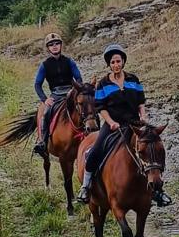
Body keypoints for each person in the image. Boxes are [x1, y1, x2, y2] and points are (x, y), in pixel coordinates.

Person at [77, 43, 169, 206]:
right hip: (113, 124)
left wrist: (143, 116)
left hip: (134, 123)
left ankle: (158, 190)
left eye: (118, 61)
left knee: (153, 148)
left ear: (123, 61)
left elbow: (140, 102)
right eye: (112, 62)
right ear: (109, 64)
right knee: (95, 151)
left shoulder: (133, 79)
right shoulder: (103, 83)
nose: (116, 65)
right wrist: (111, 122)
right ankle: (86, 186)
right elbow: (100, 107)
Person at [33, 33, 83, 150]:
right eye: (51, 45)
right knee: (46, 113)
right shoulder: (44, 65)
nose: (54, 46)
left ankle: (93, 134)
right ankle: (43, 141)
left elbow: (79, 78)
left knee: (87, 107)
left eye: (57, 43)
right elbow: (37, 84)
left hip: (70, 92)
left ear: (61, 45)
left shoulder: (69, 61)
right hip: (56, 94)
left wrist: (76, 89)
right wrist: (45, 99)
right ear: (48, 48)